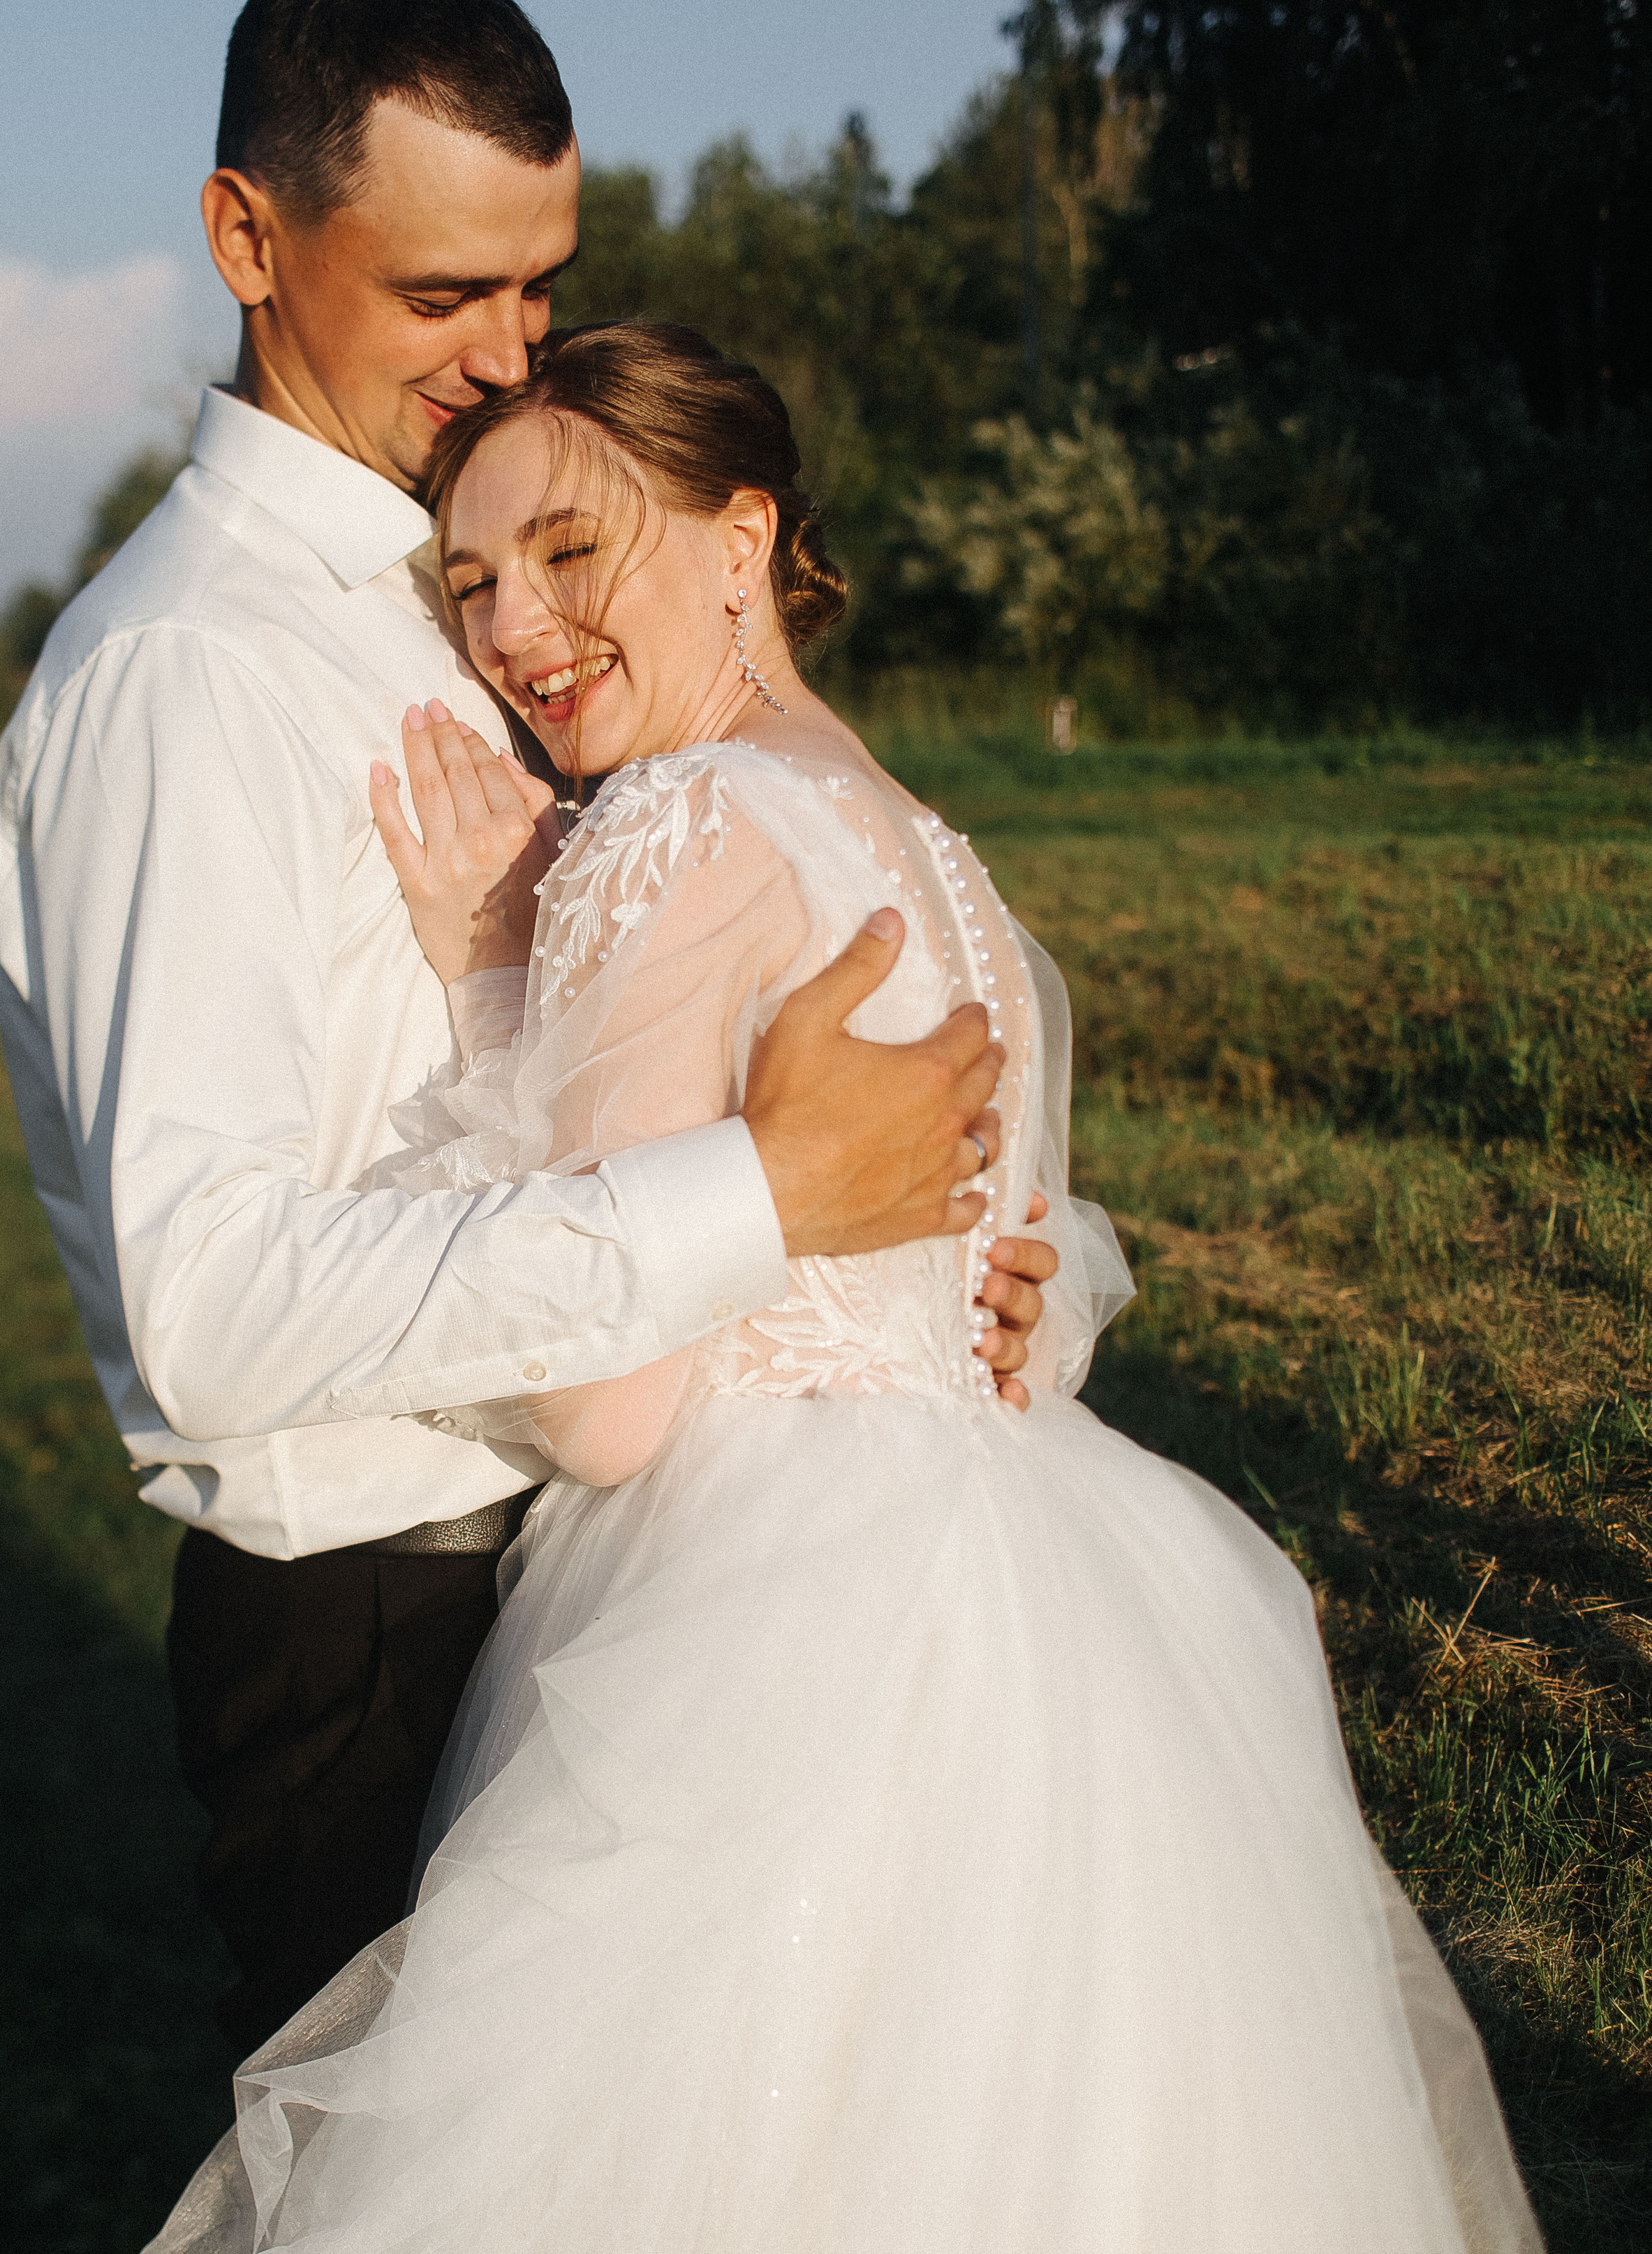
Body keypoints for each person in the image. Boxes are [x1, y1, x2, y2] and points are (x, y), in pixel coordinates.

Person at [149, 323, 1542, 2254]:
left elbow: (609, 1411)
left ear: (745, 538)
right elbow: (1011, 1275)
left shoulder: (672, 827)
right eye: (468, 583)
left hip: (769, 1627)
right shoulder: (936, 846)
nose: (512, 633)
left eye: (571, 552)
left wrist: (493, 974)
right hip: (1049, 1588)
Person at [0, 0, 1054, 2057]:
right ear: (247, 240)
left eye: (540, 290)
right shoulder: (192, 678)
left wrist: (953, 1271)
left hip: (610, 1560)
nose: (505, 357)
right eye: (444, 299)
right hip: (380, 1624)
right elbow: (212, 1303)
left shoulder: (458, 573)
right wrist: (769, 1202)